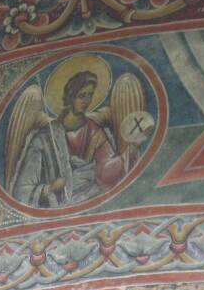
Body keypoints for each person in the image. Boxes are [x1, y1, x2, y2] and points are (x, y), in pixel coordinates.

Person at [10, 71, 129, 208]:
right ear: (70, 97)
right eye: (81, 95)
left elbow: (108, 168)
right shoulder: (45, 138)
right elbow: (21, 191)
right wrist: (50, 188)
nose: (86, 101)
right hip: (61, 206)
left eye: (90, 95)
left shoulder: (95, 132)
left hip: (93, 199)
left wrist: (126, 155)